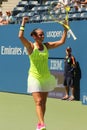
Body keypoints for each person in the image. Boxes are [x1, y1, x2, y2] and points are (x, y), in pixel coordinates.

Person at [18, 17, 68, 130]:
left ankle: (40, 124)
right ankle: (42, 124)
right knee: (39, 101)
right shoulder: (30, 46)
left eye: (43, 34)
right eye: (40, 35)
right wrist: (23, 23)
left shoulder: (46, 46)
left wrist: (65, 30)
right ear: (34, 36)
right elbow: (20, 36)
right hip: (34, 77)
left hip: (46, 77)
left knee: (44, 103)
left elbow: (62, 41)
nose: (42, 36)